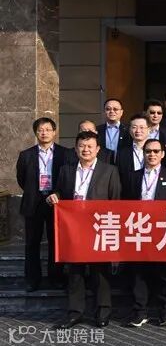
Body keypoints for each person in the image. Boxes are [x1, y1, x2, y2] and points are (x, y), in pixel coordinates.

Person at [47, 131, 121, 329]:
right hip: (74, 228)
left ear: (98, 149)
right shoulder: (66, 170)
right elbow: (59, 191)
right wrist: (54, 196)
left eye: (90, 146)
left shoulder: (110, 170)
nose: (85, 149)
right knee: (75, 271)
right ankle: (75, 313)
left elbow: (115, 201)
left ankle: (103, 311)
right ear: (76, 148)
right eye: (82, 146)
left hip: (99, 227)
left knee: (100, 272)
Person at [122, 138, 166, 327]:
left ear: (163, 154)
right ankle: (140, 312)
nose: (152, 154)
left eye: (156, 151)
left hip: (164, 229)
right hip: (139, 230)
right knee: (139, 272)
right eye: (148, 151)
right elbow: (126, 203)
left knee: (164, 273)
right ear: (143, 154)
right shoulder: (133, 176)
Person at [16, 117, 68, 292]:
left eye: (47, 129)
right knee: (32, 243)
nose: (44, 133)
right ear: (36, 133)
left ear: (54, 132)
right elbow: (21, 179)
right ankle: (32, 280)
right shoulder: (26, 155)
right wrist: (35, 192)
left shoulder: (64, 154)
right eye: (40, 130)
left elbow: (67, 178)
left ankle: (56, 277)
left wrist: (57, 194)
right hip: (34, 202)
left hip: (56, 202)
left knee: (56, 242)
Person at [115, 114, 150, 192]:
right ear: (130, 130)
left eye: (141, 127)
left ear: (149, 129)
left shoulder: (156, 150)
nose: (138, 131)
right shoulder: (122, 153)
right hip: (128, 194)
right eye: (134, 127)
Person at [143, 99, 166, 166]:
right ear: (145, 113)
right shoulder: (137, 132)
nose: (155, 115)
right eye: (152, 112)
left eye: (159, 113)